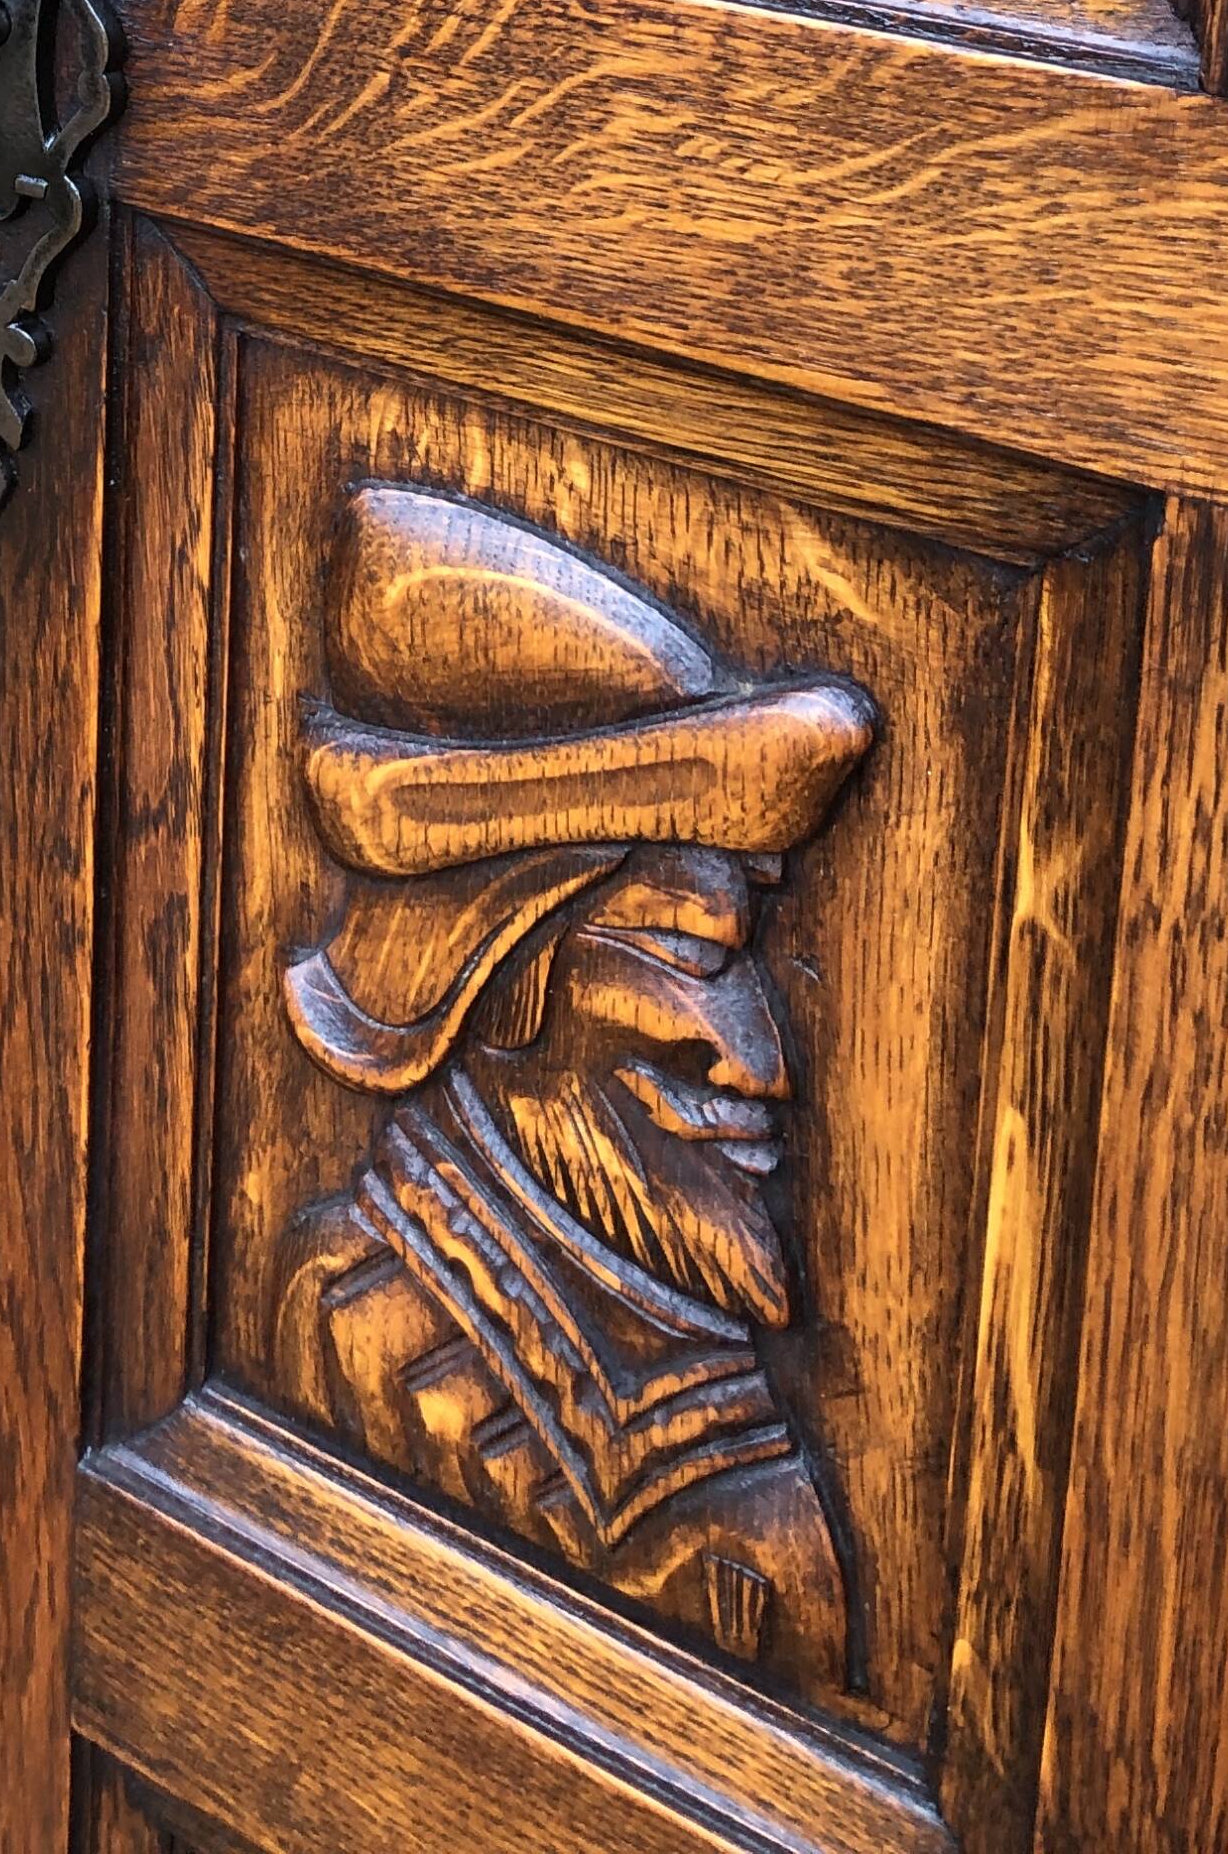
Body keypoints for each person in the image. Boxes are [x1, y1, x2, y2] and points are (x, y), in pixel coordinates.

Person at [277, 480, 875, 1700]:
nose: (761, 1062)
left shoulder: (749, 1517)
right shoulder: (350, 1318)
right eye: (696, 956)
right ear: (501, 982)